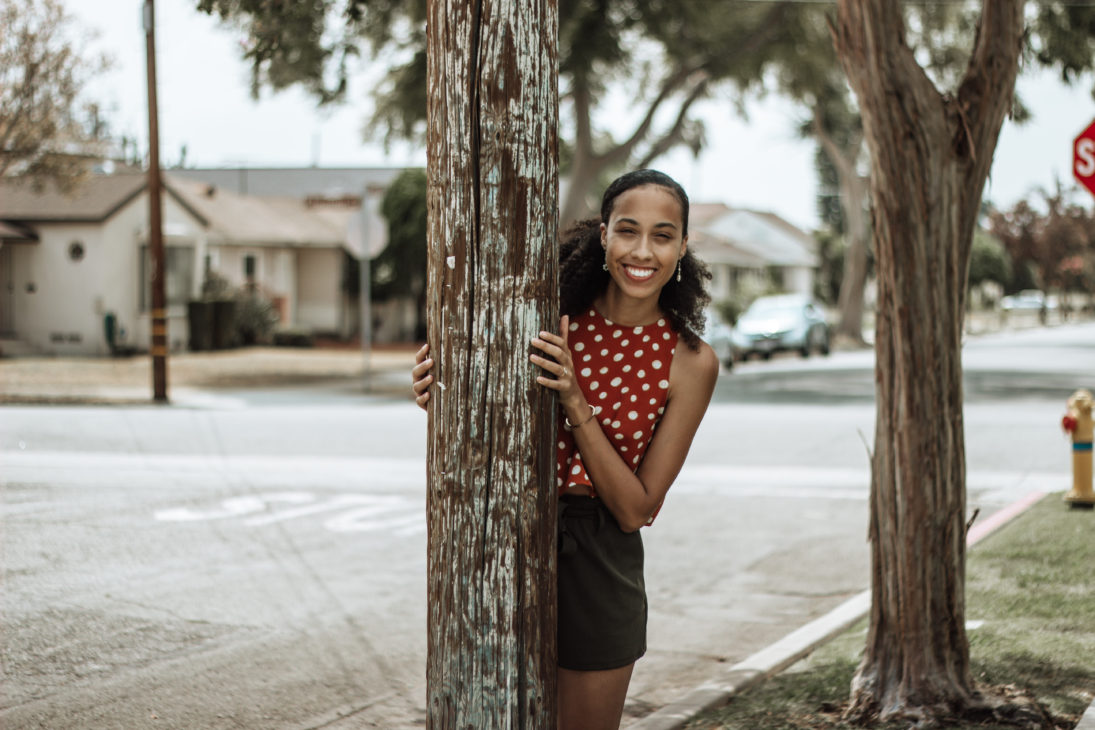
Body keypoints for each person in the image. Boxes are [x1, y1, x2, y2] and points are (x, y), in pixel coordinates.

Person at [411, 169, 719, 730]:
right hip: (502, 535)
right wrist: (442, 398)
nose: (642, 251)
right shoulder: (548, 320)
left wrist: (575, 400)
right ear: (603, 236)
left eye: (662, 235)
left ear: (682, 246)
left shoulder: (689, 360)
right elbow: (490, 425)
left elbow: (636, 507)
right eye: (628, 231)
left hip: (601, 559)